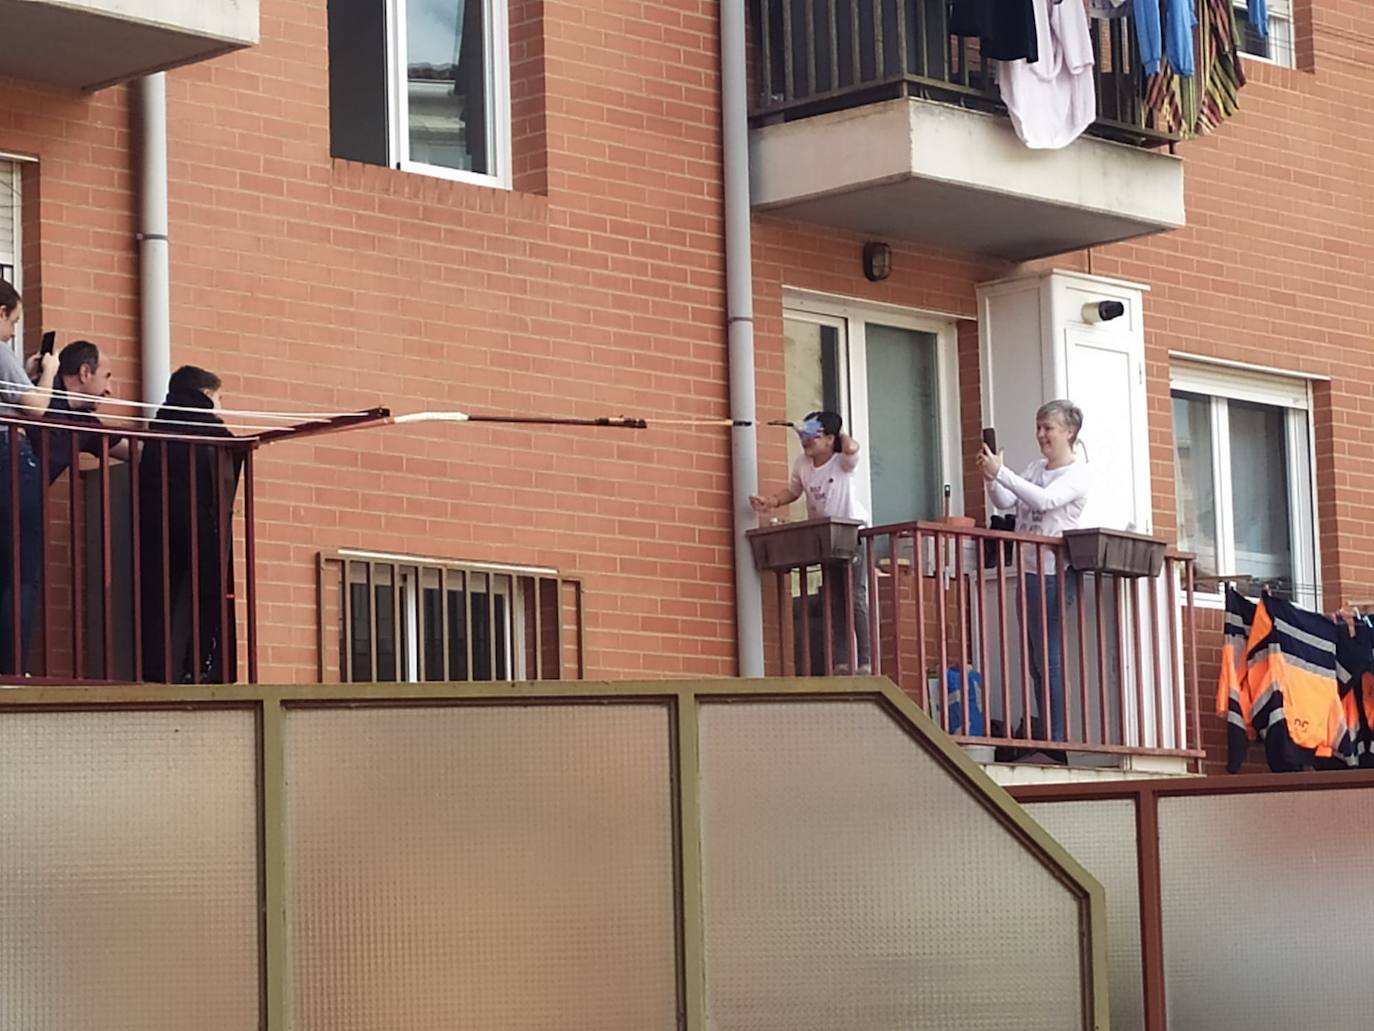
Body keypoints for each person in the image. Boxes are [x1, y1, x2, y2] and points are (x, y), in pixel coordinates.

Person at [977, 399, 1090, 748]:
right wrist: (991, 475)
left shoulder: (1078, 473)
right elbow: (1005, 503)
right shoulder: (1034, 467)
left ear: (1068, 432)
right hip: (1027, 570)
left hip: (1055, 574)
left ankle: (1058, 741)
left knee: (1050, 658)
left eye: (1048, 428)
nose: (1040, 434)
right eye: (1038, 427)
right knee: (1035, 662)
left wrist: (1002, 474)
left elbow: (1043, 501)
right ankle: (1048, 736)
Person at [139, 365, 241, 683]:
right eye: (219, 398)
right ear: (207, 395)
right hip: (201, 519)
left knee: (157, 596)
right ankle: (199, 666)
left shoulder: (158, 426)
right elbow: (232, 460)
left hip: (156, 522)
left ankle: (154, 670)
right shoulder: (211, 430)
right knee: (209, 592)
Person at [751, 411, 871, 674]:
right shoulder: (802, 465)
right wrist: (771, 501)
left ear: (829, 439)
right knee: (834, 599)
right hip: (825, 538)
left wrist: (836, 431)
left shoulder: (841, 461)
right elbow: (793, 491)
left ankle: (865, 659)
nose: (806, 440)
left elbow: (852, 448)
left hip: (852, 533)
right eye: (803, 435)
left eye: (813, 435)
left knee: (855, 597)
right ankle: (841, 660)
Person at [0, 280, 58, 674]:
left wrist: (26, 373)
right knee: (21, 572)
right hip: (8, 460)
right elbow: (37, 407)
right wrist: (49, 374)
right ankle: (11, 668)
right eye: (13, 320)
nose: (14, 331)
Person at [32, 340, 130, 485]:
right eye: (106, 377)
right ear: (85, 373)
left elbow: (133, 450)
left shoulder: (84, 423)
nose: (110, 390)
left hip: (22, 501)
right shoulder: (36, 397)